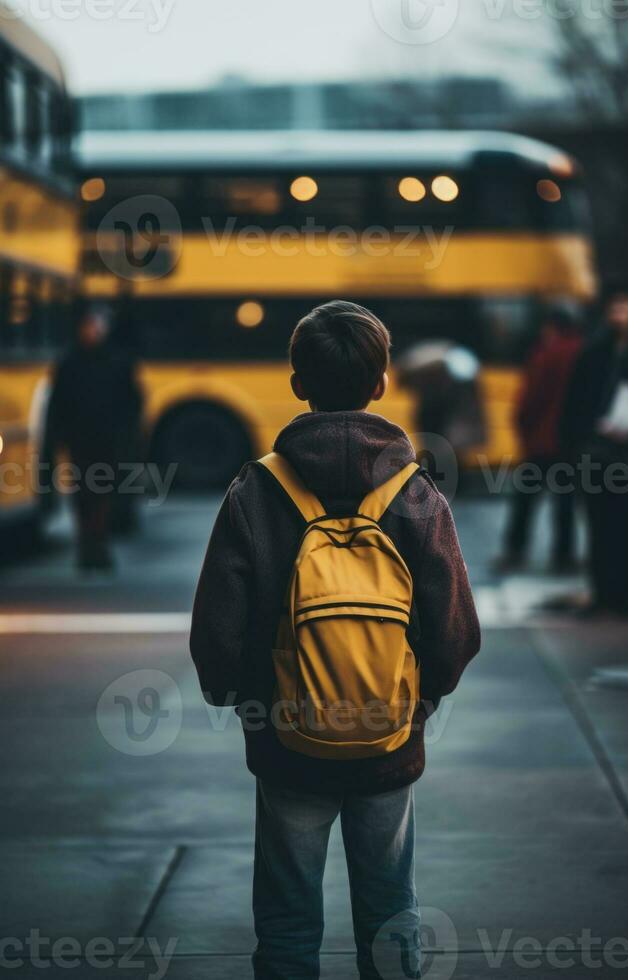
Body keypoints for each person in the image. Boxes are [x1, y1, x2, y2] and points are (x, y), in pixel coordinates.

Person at [190, 300, 481, 980]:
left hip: (287, 740)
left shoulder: (256, 490)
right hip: (387, 740)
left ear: (298, 383)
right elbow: (454, 630)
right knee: (389, 910)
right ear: (382, 383)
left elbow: (218, 632)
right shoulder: (416, 494)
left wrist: (245, 700)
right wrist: (419, 699)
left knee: (289, 920)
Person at [560, 284, 628, 618]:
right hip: (598, 455)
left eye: (625, 307)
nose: (619, 314)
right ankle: (606, 595)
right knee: (602, 528)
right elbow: (575, 405)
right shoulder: (594, 352)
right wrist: (574, 450)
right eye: (614, 307)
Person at [47, 304, 142, 570]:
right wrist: (60, 437)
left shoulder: (115, 362)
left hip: (107, 442)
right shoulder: (70, 363)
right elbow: (58, 404)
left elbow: (132, 404)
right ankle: (89, 547)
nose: (92, 332)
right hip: (81, 442)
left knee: (101, 495)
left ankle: (95, 546)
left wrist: (126, 437)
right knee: (84, 495)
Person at [498, 308, 583, 572]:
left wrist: (522, 425)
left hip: (542, 441)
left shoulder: (547, 352)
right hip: (571, 442)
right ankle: (564, 556)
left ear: (551, 326)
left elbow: (531, 397)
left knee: (525, 501)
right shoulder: (584, 351)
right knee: (565, 503)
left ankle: (515, 550)